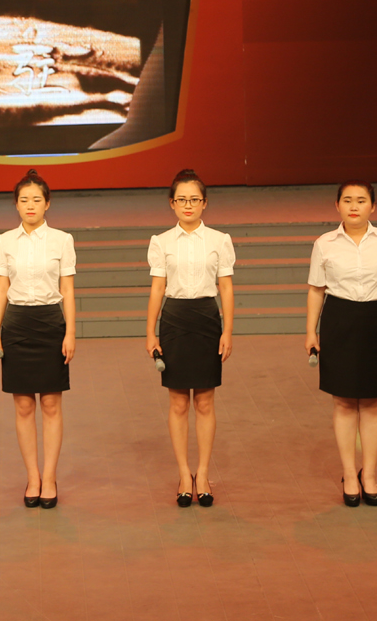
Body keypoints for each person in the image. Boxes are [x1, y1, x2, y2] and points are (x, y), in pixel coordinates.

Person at [305, 181, 377, 508]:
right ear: (337, 205)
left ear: (373, 206)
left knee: (374, 403)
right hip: (339, 320)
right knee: (343, 402)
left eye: (361, 200)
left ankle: (370, 475)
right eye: (348, 200)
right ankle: (350, 474)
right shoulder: (324, 243)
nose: (354, 206)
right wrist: (311, 331)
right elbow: (316, 290)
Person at [144, 168, 234, 507]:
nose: (188, 205)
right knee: (179, 402)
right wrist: (150, 331)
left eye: (194, 199)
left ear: (204, 203)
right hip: (175, 321)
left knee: (206, 401)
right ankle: (184, 474)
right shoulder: (161, 242)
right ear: (172, 203)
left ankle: (204, 473)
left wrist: (227, 330)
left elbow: (226, 288)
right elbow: (158, 288)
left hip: (207, 319)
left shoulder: (220, 240)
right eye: (181, 199)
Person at [0, 169, 76, 509]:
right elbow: (1, 288)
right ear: (16, 204)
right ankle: (33, 477)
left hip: (50, 322)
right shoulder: (4, 241)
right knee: (24, 406)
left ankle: (50, 477)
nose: (30, 205)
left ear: (47, 203)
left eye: (36, 200)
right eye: (23, 200)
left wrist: (70, 332)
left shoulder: (62, 240)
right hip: (17, 324)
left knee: (51, 404)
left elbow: (67, 289)